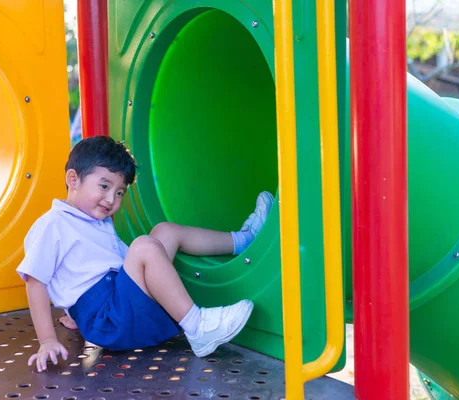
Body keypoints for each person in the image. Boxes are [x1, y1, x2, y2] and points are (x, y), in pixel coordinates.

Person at [16, 136, 274, 372]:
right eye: (104, 186)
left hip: (119, 305)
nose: (111, 200)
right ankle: (199, 326)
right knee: (144, 246)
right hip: (109, 320)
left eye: (119, 193)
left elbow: (77, 272)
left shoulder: (93, 221)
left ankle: (243, 240)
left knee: (164, 232)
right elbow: (36, 281)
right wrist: (48, 339)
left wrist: (74, 316)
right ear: (73, 180)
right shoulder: (53, 224)